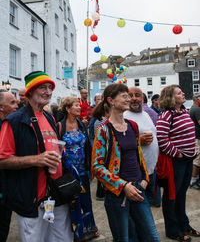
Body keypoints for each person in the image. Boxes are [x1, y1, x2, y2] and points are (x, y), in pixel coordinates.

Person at [0, 71, 73, 242]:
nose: (48, 92)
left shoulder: (49, 116)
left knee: (64, 239)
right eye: (42, 88)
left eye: (50, 88)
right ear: (30, 91)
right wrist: (36, 159)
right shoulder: (14, 121)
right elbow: (2, 160)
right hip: (32, 198)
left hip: (57, 194)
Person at [91, 84, 160, 242]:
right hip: (117, 194)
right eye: (124, 96)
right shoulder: (103, 130)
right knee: (125, 238)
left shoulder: (132, 126)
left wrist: (144, 179)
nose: (129, 99)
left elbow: (138, 156)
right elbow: (97, 166)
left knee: (152, 236)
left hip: (138, 188)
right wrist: (123, 186)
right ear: (111, 100)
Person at [156, 84, 200, 242]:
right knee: (171, 196)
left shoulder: (184, 112)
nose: (183, 94)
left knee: (181, 194)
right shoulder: (167, 115)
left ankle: (184, 225)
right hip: (176, 162)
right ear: (172, 97)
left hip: (188, 160)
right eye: (179, 93)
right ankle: (172, 230)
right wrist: (177, 154)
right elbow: (161, 138)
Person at [57, 96, 99, 241]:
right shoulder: (60, 126)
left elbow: (87, 146)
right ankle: (76, 232)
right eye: (76, 105)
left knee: (86, 199)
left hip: (83, 170)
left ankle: (90, 228)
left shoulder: (81, 124)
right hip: (69, 172)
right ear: (67, 109)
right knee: (73, 202)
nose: (79, 107)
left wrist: (91, 165)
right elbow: (58, 149)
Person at [124, 87, 161, 207]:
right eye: (130, 95)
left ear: (143, 98)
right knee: (140, 211)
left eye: (137, 95)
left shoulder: (145, 114)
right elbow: (119, 144)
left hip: (151, 170)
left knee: (154, 204)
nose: (134, 98)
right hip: (137, 173)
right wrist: (138, 141)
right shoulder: (124, 116)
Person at [0, 90, 18, 242]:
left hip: (8, 189)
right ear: (1, 107)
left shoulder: (12, 124)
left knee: (4, 224)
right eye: (12, 102)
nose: (16, 105)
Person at [189, 93, 200, 189]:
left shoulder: (192, 108)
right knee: (197, 159)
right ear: (197, 99)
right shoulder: (197, 109)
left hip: (195, 137)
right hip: (197, 138)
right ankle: (193, 181)